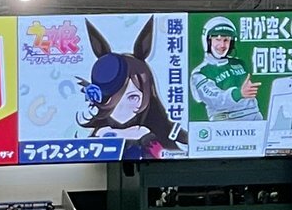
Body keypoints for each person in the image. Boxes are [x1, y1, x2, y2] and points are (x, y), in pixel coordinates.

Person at [77, 16, 187, 159]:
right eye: (113, 98)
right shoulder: (99, 137)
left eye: (133, 97)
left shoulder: (149, 136)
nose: (122, 107)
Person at [190, 16, 262, 122]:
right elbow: (215, 100)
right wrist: (239, 93)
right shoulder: (200, 73)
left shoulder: (239, 63)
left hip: (254, 116)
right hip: (225, 122)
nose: (222, 45)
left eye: (226, 40)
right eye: (218, 40)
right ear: (208, 41)